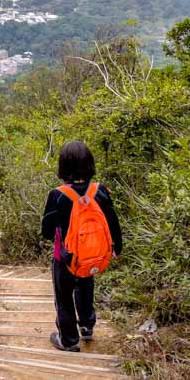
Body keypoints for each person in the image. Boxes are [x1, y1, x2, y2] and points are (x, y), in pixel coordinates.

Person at [40, 141, 122, 352]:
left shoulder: (57, 195)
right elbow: (113, 221)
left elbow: (47, 231)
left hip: (65, 257)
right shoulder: (99, 191)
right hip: (91, 255)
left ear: (63, 166)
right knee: (85, 288)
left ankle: (68, 339)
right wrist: (117, 248)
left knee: (63, 296)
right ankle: (86, 326)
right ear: (89, 164)